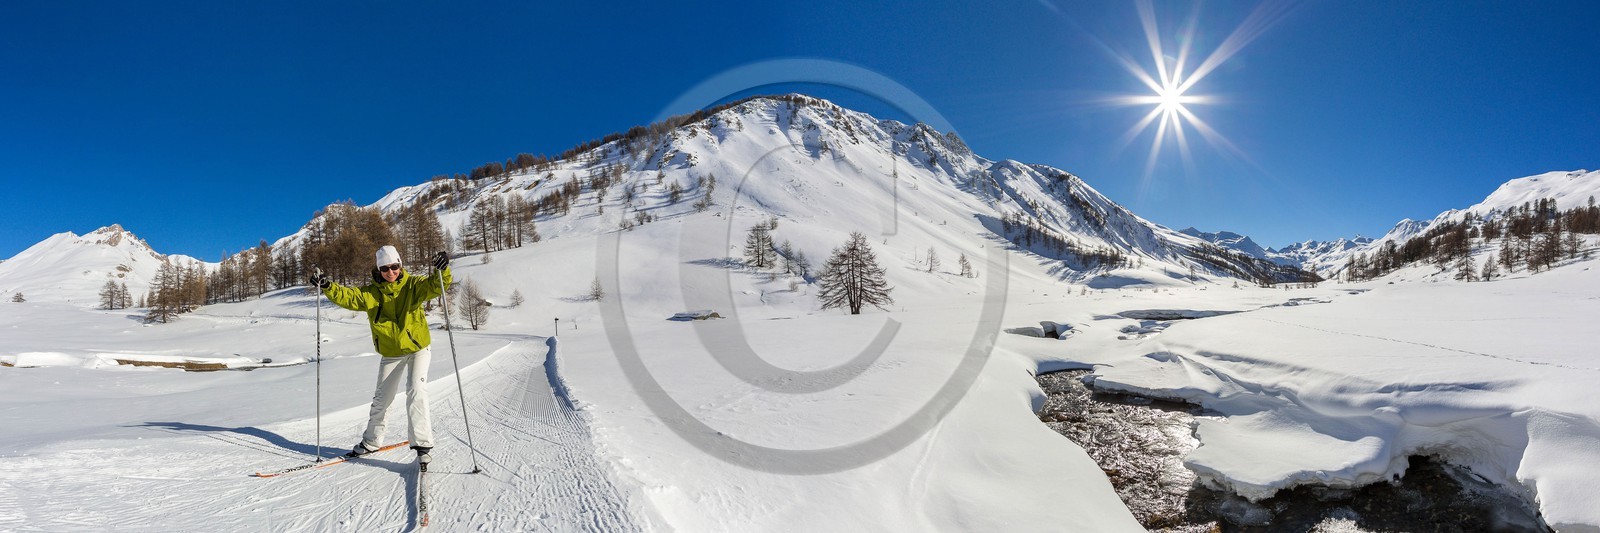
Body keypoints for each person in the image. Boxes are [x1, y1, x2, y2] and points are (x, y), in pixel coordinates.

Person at [309, 245, 451, 464]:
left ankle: (423, 445)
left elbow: (435, 286)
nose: (391, 272)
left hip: (418, 348)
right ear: (378, 270)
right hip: (391, 352)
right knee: (381, 399)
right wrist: (327, 286)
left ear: (400, 266)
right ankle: (371, 442)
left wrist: (442, 270)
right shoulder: (371, 293)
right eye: (385, 268)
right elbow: (348, 296)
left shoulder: (413, 285)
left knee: (416, 390)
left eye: (394, 266)